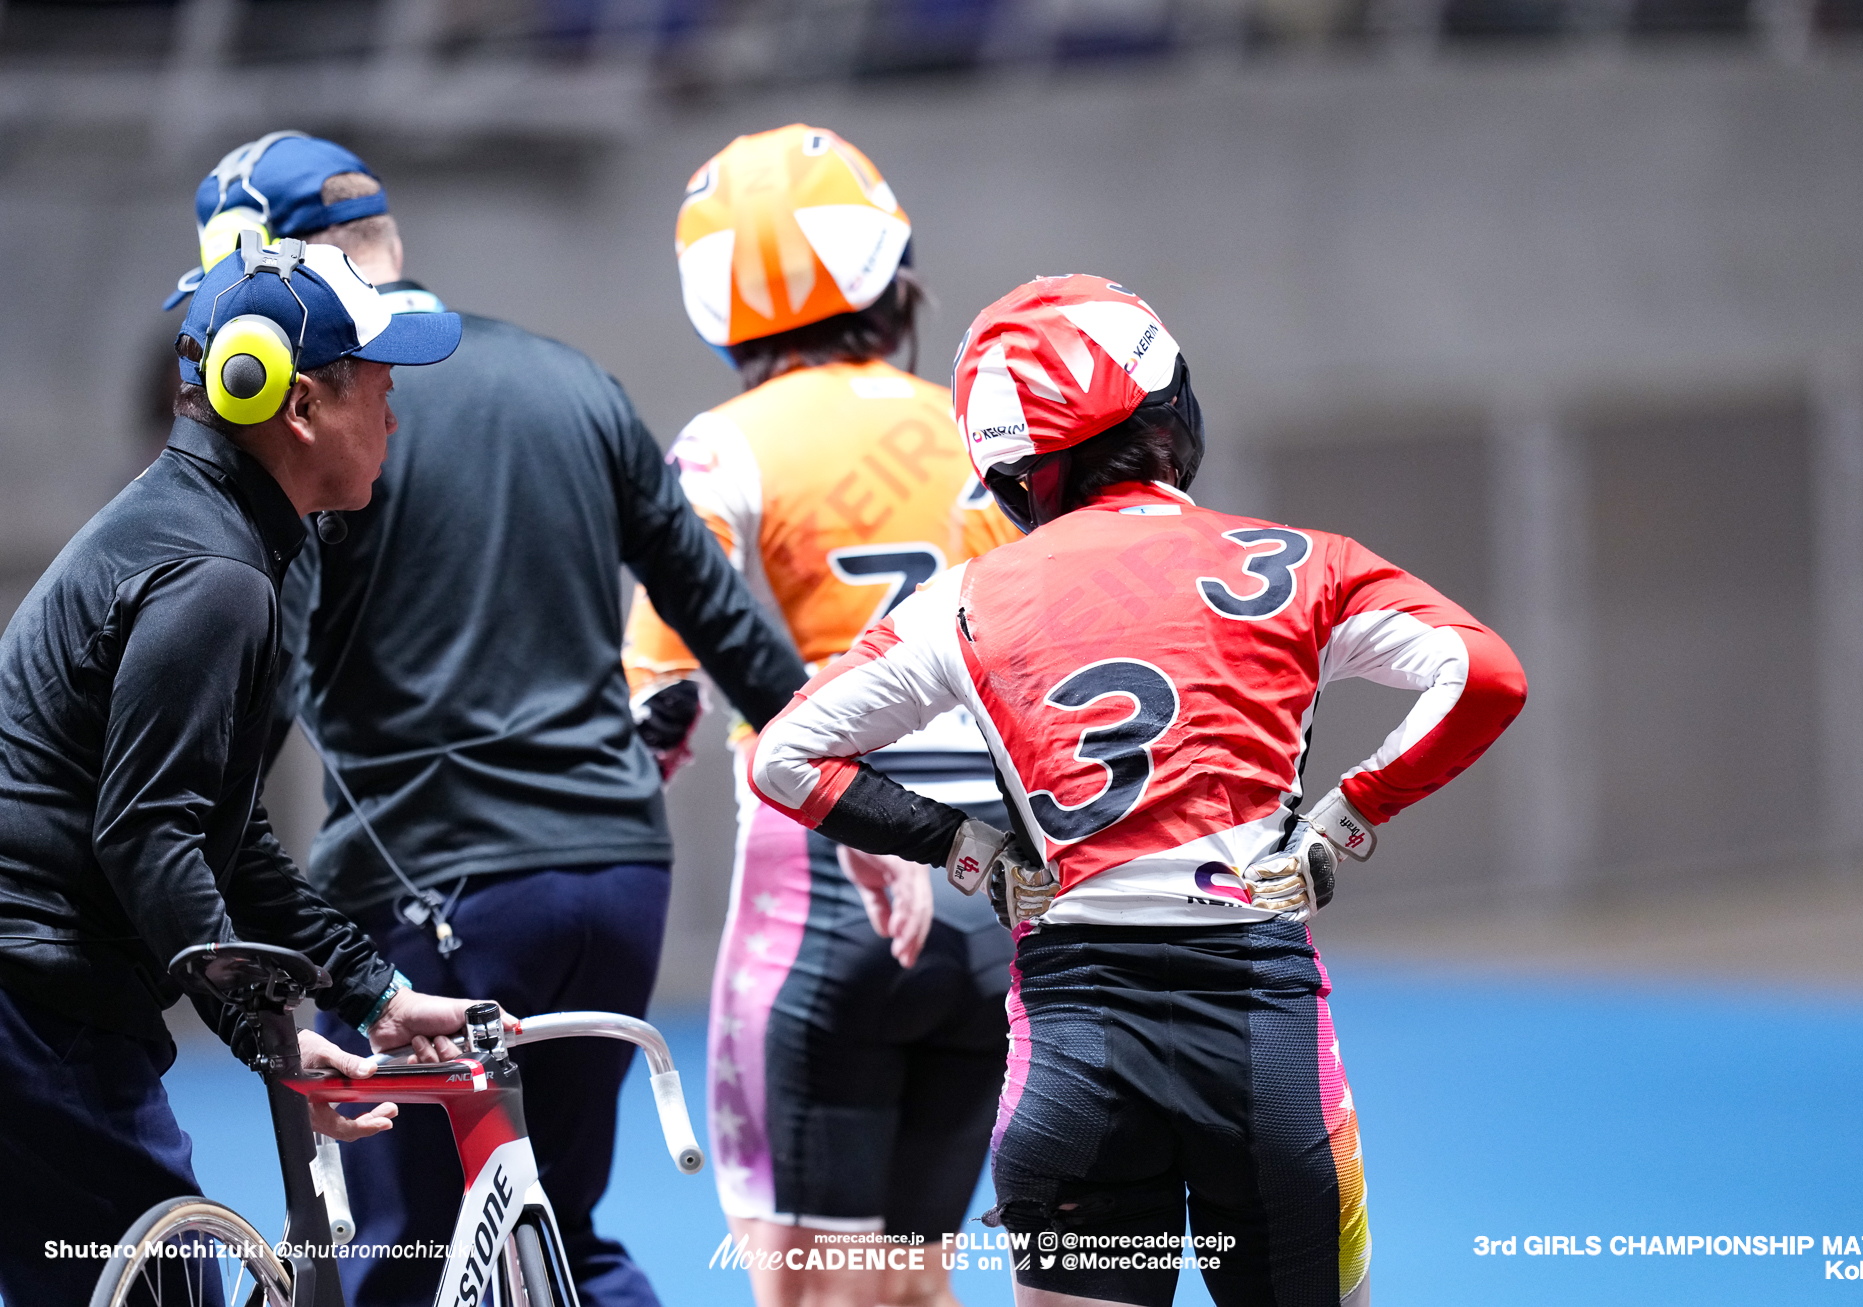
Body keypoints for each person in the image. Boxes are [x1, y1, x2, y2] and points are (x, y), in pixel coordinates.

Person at [747, 275, 1531, 1307]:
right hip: (1265, 1052)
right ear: (1171, 414)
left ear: (1018, 475)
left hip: (1072, 1064)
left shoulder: (963, 601)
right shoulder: (1306, 564)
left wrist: (965, 849)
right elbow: (1484, 675)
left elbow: (785, 759)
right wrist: (1346, 817)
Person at [168, 132, 810, 1307]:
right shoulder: (573, 376)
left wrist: (189, 866)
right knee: (565, 1231)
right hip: (618, 875)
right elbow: (726, 625)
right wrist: (853, 791)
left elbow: (263, 669)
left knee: (405, 1255)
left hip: (434, 893)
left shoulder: (329, 412)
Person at [0, 236, 484, 1303]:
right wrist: (274, 1037)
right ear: (298, 405)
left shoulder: (214, 538)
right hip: (34, 1009)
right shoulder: (216, 575)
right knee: (164, 1288)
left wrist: (374, 990)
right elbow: (149, 835)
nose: (395, 417)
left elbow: (227, 835)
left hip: (36, 998)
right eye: (379, 388)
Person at [619, 123, 1020, 1307]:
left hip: (823, 886)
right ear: (890, 274)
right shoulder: (980, 434)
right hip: (993, 884)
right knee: (913, 1278)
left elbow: (663, 691)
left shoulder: (727, 442)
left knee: (810, 1292)